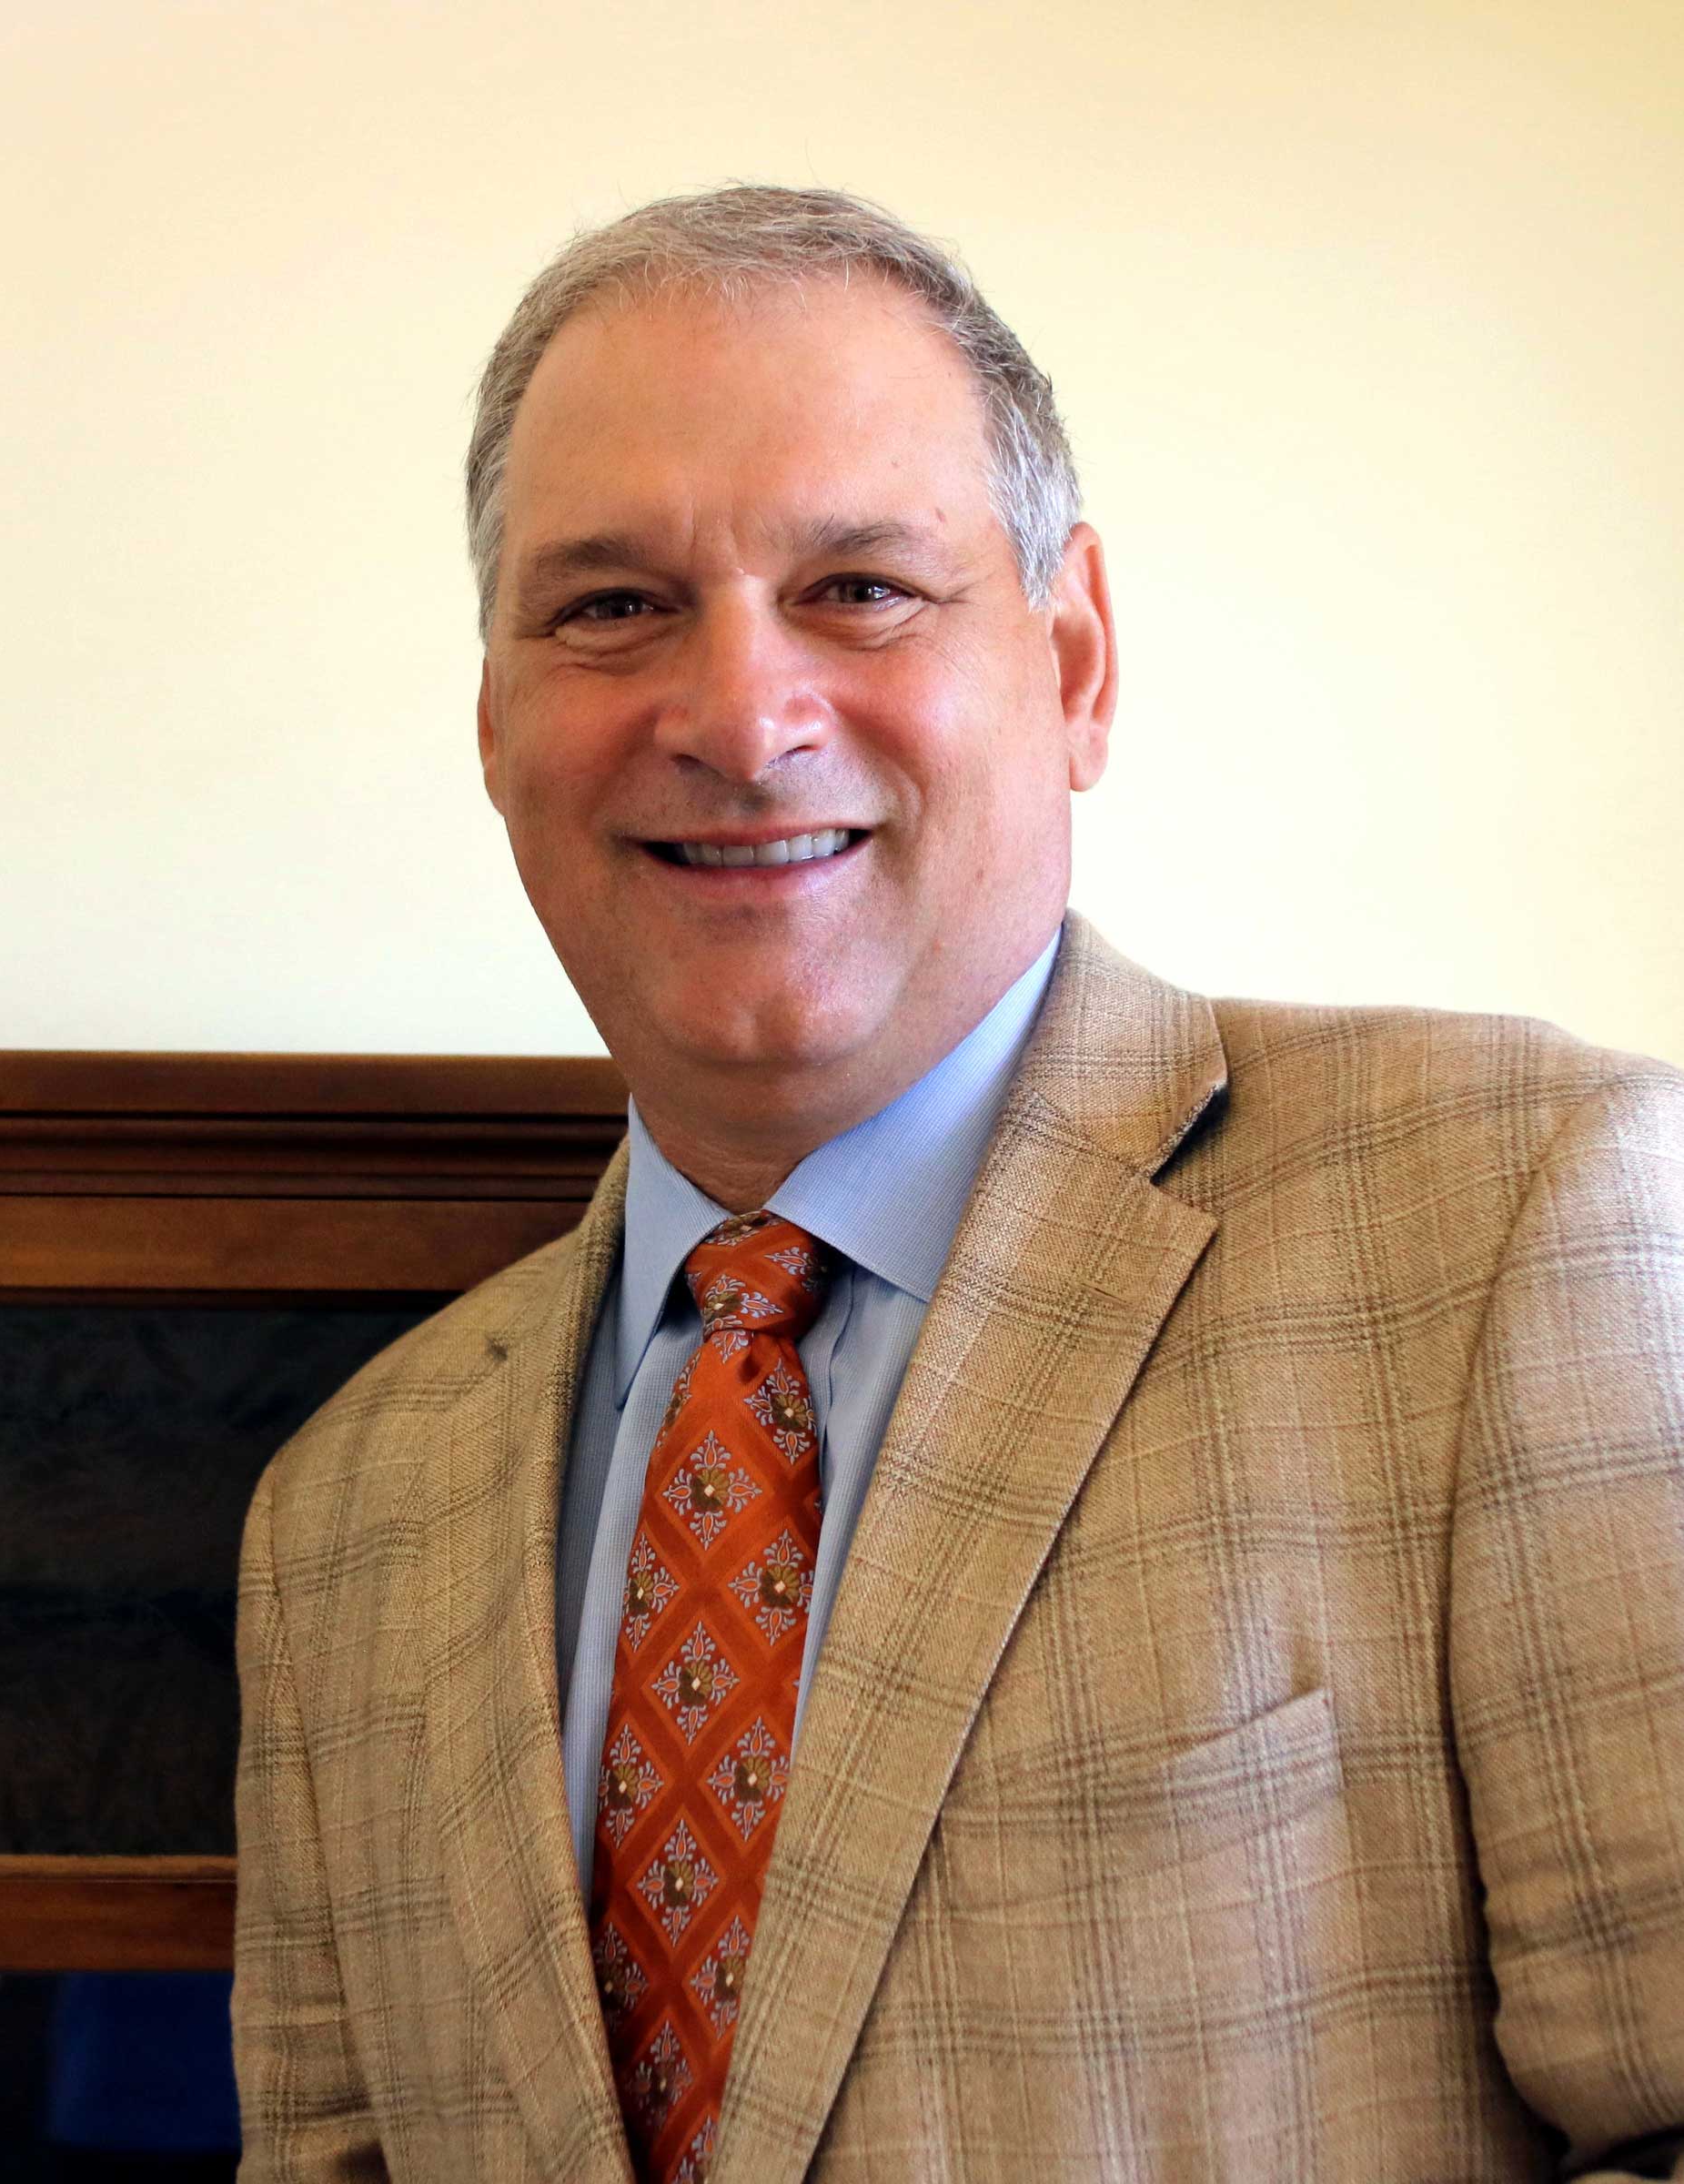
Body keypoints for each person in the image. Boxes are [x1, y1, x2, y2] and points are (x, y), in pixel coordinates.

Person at [230, 185, 1684, 2182]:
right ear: (496, 725)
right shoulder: (340, 1520)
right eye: (612, 607)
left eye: (858, 587)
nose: (740, 721)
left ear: (1072, 663)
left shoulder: (1518, 1226)